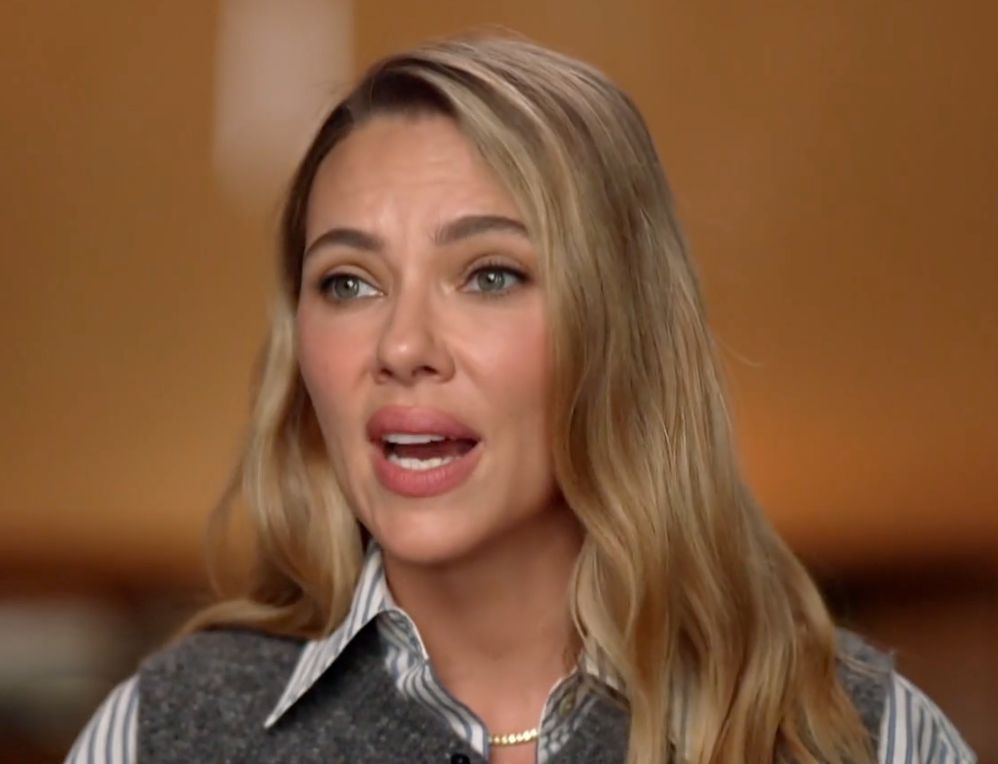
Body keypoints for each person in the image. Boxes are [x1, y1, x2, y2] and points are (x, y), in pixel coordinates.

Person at [66, 34, 975, 764]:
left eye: (490, 273)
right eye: (348, 282)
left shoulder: (865, 737)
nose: (403, 348)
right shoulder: (162, 733)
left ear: (619, 326)